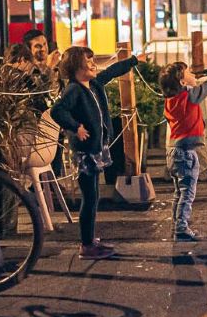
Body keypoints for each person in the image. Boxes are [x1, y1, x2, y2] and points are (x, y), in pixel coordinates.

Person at [49, 46, 142, 260]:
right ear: (75, 67)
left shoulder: (93, 85)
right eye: (87, 60)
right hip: (86, 151)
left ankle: (89, 238)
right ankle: (86, 244)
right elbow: (57, 110)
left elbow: (111, 71)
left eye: (92, 60)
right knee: (90, 197)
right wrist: (75, 127)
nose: (92, 64)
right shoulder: (73, 90)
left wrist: (134, 61)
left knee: (94, 195)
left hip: (96, 148)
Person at [159, 59, 207, 241]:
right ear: (182, 82)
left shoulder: (171, 100)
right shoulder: (189, 97)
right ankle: (181, 229)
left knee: (179, 192)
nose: (193, 75)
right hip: (185, 153)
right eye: (189, 73)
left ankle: (176, 226)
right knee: (188, 193)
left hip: (172, 151)